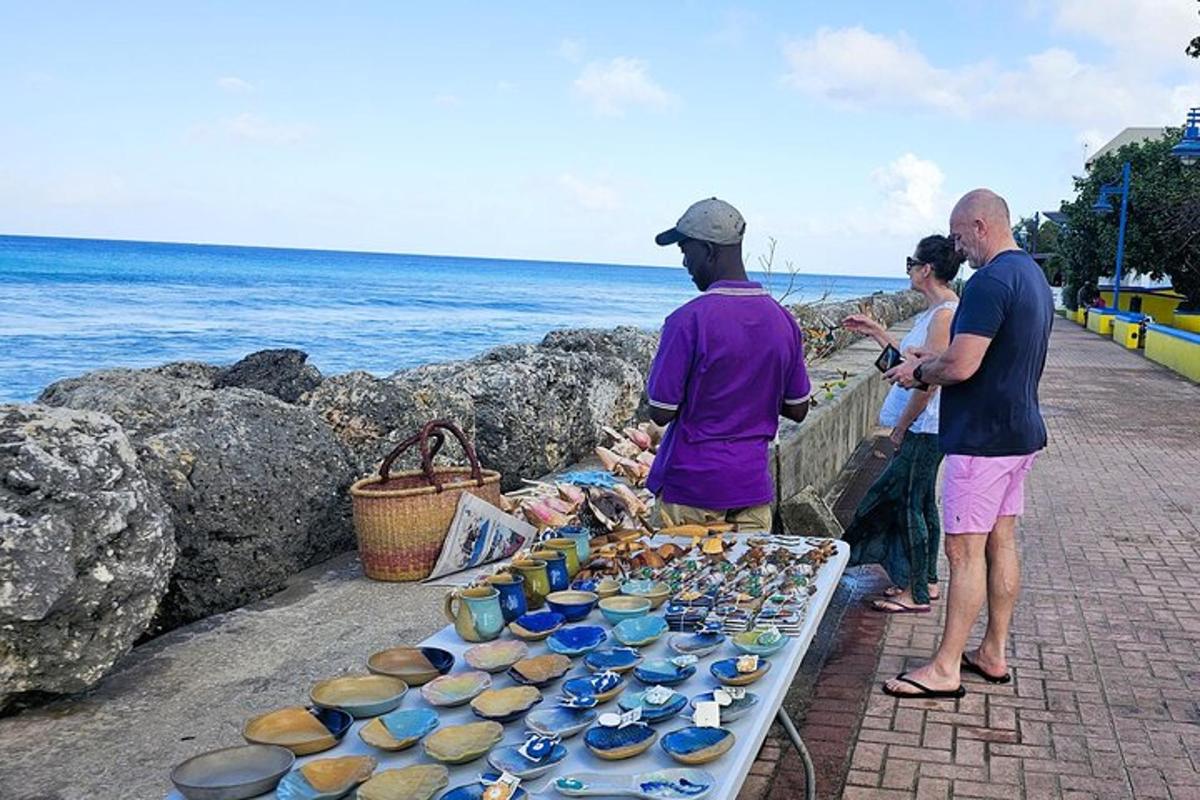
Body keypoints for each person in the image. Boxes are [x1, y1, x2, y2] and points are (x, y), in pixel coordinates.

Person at [882, 189, 1054, 699]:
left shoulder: (989, 280)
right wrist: (927, 355)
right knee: (1001, 543)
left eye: (959, 237)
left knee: (963, 552)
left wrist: (918, 372)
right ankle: (993, 652)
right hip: (1019, 432)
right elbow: (987, 352)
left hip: (982, 440)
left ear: (981, 225)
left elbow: (960, 365)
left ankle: (944, 668)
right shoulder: (1032, 277)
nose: (958, 249)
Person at [646, 197, 811, 532]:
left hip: (690, 489)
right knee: (745, 582)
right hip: (751, 488)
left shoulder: (687, 321)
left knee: (678, 581)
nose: (683, 262)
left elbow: (661, 411)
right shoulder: (784, 322)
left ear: (708, 250)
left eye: (685, 250)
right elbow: (798, 409)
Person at [840, 235, 964, 613]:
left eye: (911, 262)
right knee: (922, 502)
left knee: (909, 504)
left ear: (926, 269)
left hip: (925, 428)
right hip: (925, 427)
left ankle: (917, 593)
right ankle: (925, 581)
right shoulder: (938, 311)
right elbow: (911, 360)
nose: (908, 269)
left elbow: (927, 381)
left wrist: (900, 427)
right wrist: (877, 331)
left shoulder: (944, 315)